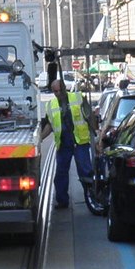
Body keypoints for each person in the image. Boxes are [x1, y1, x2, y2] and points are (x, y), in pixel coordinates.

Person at [42, 77, 95, 210]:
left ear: (65, 88)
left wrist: (96, 135)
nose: (58, 94)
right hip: (63, 144)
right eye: (55, 92)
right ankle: (62, 201)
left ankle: (92, 198)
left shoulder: (78, 97)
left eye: (59, 90)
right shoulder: (51, 105)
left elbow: (90, 116)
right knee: (60, 173)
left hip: (80, 142)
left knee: (85, 171)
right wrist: (40, 138)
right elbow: (50, 125)